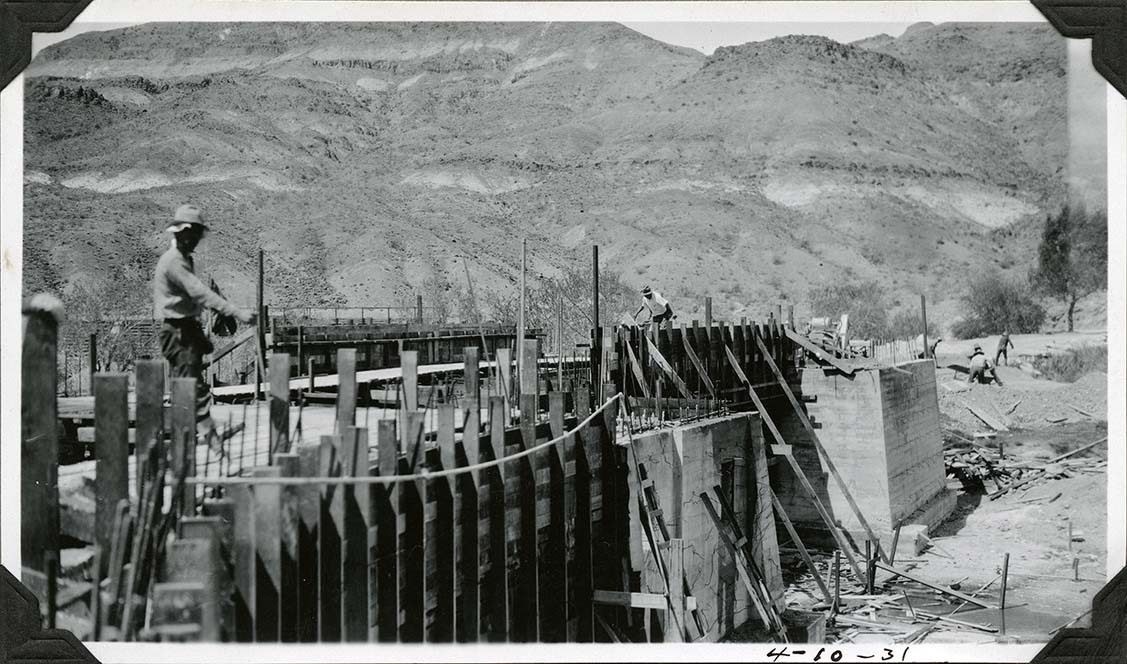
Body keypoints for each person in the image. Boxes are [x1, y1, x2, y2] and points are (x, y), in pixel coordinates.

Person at [154, 204, 256, 443]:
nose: (197, 240)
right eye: (194, 235)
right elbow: (200, 292)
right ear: (183, 233)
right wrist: (236, 312)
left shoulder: (184, 258)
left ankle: (207, 437)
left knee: (193, 385)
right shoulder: (174, 262)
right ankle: (203, 438)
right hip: (178, 331)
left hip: (188, 329)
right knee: (189, 387)